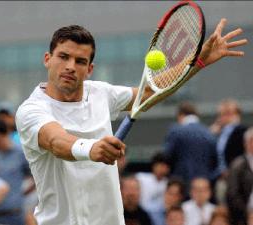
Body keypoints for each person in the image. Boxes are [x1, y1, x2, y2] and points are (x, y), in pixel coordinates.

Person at [15, 20, 247, 225]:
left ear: (89, 69)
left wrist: (198, 62)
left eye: (80, 61)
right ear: (48, 59)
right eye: (63, 57)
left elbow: (149, 91)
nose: (70, 66)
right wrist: (93, 148)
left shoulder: (100, 93)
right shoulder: (32, 110)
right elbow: (56, 141)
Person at [0, 119, 34, 225]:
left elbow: (36, 178)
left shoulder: (20, 153)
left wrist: (23, 194)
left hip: (14, 214)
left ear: (7, 134)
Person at [164, 102, 217, 188]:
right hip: (204, 186)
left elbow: (167, 156)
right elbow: (215, 161)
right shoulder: (209, 133)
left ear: (180, 115)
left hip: (181, 185)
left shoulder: (175, 131)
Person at [226, 127, 253, 225]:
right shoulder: (238, 164)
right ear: (245, 143)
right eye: (251, 141)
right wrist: (246, 211)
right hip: (244, 213)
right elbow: (232, 192)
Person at [136, 152, 170, 218]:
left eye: (165, 166)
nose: (163, 169)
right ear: (154, 166)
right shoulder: (140, 178)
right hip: (142, 215)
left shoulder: (168, 183)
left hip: (161, 216)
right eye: (161, 165)